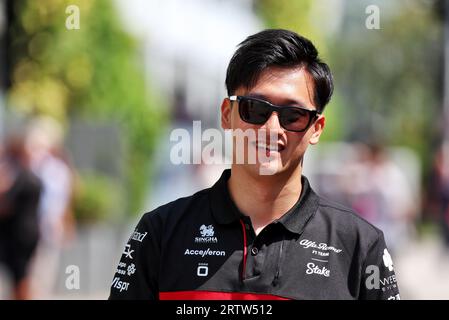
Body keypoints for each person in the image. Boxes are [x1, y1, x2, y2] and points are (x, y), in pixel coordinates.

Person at [109, 29, 400, 300]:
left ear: (316, 129)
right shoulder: (160, 232)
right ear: (227, 115)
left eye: (293, 116)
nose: (272, 129)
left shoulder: (361, 245)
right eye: (255, 109)